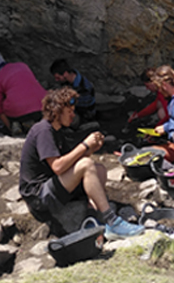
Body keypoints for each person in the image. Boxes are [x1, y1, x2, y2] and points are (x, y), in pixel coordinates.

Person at [18, 87, 145, 240]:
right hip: (39, 197)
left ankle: (91, 218)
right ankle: (112, 221)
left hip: (51, 187)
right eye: (69, 111)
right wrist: (84, 145)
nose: (73, 115)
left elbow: (69, 162)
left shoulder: (57, 131)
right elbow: (58, 167)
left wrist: (90, 149)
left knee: (99, 170)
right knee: (86, 164)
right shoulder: (43, 130)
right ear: (57, 111)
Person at [0, 52, 46, 136]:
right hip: (42, 106)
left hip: (18, 111)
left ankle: (16, 124)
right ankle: (33, 122)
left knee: (5, 104)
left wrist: (9, 128)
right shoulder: (23, 66)